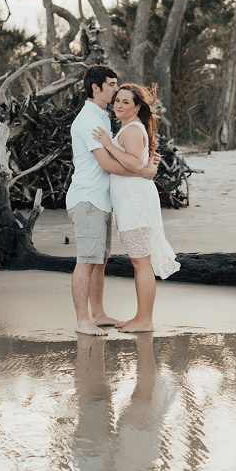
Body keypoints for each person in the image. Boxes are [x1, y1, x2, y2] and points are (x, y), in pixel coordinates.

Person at [66, 65, 159, 336]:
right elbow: (106, 163)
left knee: (100, 260)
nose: (115, 90)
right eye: (111, 84)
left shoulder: (103, 117)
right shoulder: (88, 120)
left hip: (102, 200)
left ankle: (98, 312)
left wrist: (141, 162)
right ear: (96, 87)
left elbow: (123, 149)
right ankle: (83, 320)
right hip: (88, 198)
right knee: (86, 260)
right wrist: (143, 170)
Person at [92, 84, 180, 332]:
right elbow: (140, 164)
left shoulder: (130, 131)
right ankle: (141, 316)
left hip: (135, 203)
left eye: (125, 102)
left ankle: (145, 320)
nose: (119, 105)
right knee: (139, 262)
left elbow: (132, 163)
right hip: (132, 200)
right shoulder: (131, 129)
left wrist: (108, 145)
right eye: (117, 100)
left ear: (137, 107)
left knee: (142, 263)